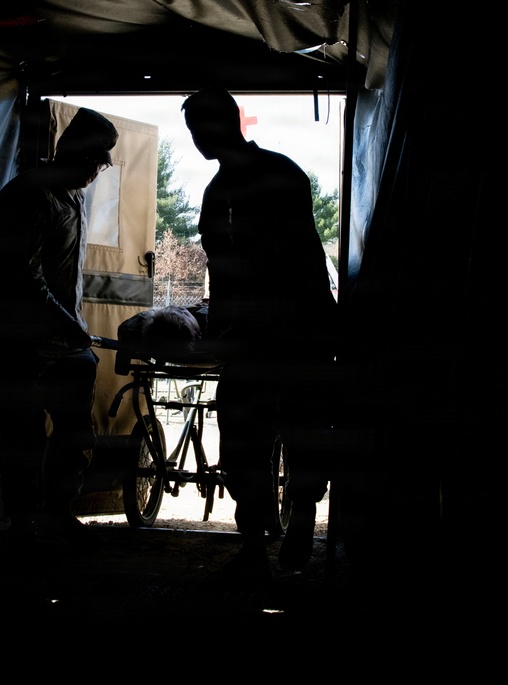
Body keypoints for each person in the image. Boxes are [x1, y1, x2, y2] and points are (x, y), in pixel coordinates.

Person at [181, 88, 337, 578]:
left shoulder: (272, 177)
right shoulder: (233, 186)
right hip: (262, 335)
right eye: (192, 132)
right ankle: (257, 541)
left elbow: (298, 260)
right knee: (247, 443)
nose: (197, 140)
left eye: (201, 129)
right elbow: (221, 268)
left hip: (292, 333)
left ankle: (295, 525)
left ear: (227, 124)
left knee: (295, 435)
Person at [0, 108, 119, 550]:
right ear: (71, 151)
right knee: (23, 437)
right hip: (18, 341)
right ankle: (24, 526)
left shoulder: (72, 197)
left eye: (103, 163)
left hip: (63, 340)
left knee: (75, 432)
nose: (98, 170)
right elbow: (22, 276)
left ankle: (56, 515)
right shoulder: (29, 196)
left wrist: (72, 327)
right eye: (95, 159)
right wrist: (68, 323)